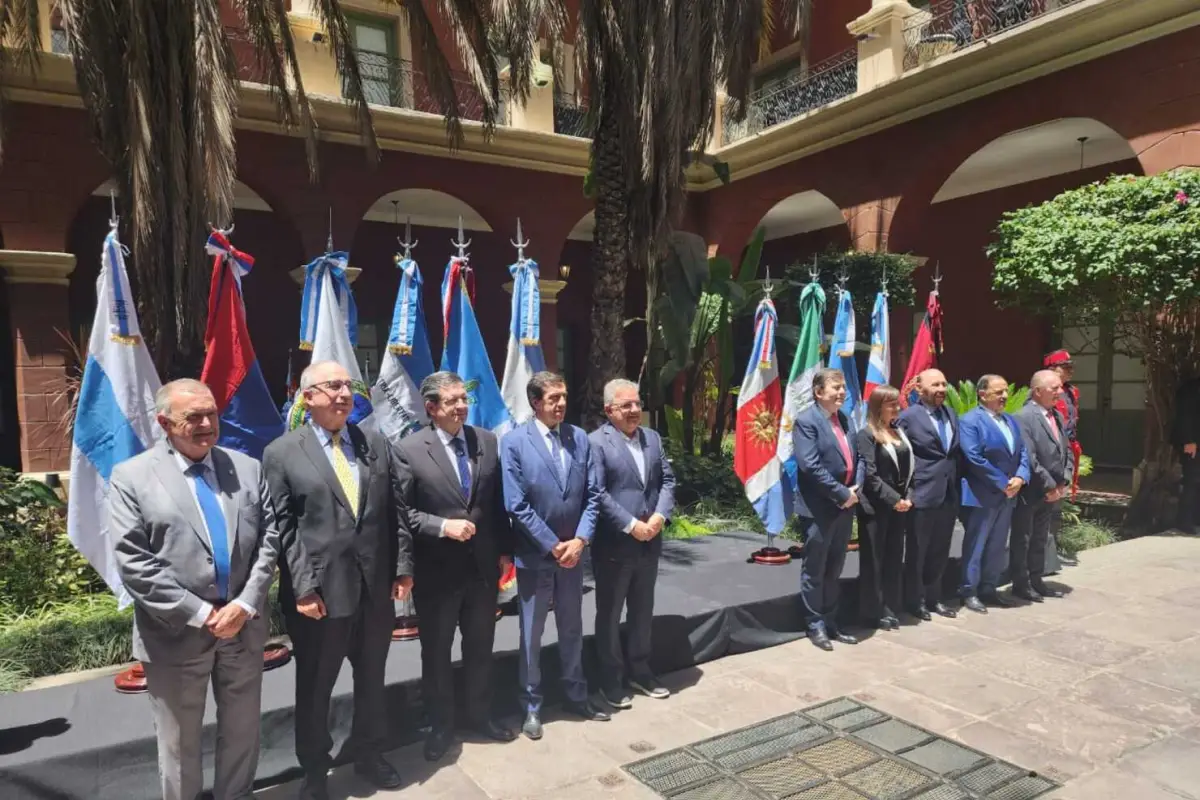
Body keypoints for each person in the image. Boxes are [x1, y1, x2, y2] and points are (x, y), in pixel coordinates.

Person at [110, 379, 281, 800]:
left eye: (212, 414)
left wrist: (243, 603)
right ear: (165, 422)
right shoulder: (131, 477)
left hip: (243, 627)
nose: (207, 424)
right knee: (179, 744)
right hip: (176, 635)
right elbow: (134, 562)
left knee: (242, 733)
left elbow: (270, 539)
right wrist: (203, 613)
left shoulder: (247, 468)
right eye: (194, 417)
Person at [262, 361, 413, 800]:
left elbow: (396, 513)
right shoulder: (282, 452)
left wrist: (403, 568)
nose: (343, 394)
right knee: (315, 687)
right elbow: (283, 528)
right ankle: (314, 770)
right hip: (320, 598)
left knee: (371, 679)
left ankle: (370, 753)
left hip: (376, 591)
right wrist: (304, 588)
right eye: (332, 386)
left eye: (347, 386)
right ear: (308, 397)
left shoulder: (376, 444)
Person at [393, 371, 516, 762]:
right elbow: (401, 513)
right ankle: (442, 726)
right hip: (437, 574)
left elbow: (496, 503)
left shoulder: (487, 441)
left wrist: (505, 551)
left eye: (464, 399)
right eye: (452, 401)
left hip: (481, 570)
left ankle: (480, 716)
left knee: (481, 649)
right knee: (437, 655)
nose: (461, 406)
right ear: (431, 408)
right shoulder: (409, 449)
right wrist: (442, 526)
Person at [501, 371, 608, 739]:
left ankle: (577, 694)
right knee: (531, 634)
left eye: (563, 396)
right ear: (535, 403)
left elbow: (593, 496)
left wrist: (580, 541)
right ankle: (531, 706)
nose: (560, 403)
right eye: (553, 398)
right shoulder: (515, 443)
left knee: (572, 627)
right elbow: (516, 503)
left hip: (574, 557)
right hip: (535, 557)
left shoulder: (579, 439)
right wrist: (552, 544)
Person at [589, 379, 676, 709]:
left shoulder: (652, 438)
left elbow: (667, 480)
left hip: (650, 540)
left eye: (638, 404)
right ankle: (610, 680)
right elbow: (596, 492)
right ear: (610, 410)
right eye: (626, 406)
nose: (634, 411)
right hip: (615, 545)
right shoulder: (596, 443)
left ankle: (641, 670)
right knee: (609, 614)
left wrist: (659, 517)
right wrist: (630, 525)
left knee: (643, 610)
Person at [793, 368, 861, 651]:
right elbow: (810, 465)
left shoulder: (844, 419)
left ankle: (832, 621)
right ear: (819, 392)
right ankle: (815, 625)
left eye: (843, 387)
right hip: (820, 508)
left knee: (835, 567)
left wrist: (855, 489)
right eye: (836, 388)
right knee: (815, 569)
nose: (842, 392)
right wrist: (841, 493)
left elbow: (857, 458)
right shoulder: (806, 421)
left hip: (846, 506)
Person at [958, 374, 1029, 613]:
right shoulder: (970, 421)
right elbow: (974, 457)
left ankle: (989, 588)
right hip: (983, 495)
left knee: (998, 545)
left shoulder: (1010, 420)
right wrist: (1002, 483)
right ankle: (969, 591)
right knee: (976, 545)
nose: (1005, 396)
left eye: (1006, 391)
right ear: (982, 394)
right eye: (998, 392)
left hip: (1008, 495)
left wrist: (1021, 477)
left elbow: (1023, 453)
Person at [897, 369, 961, 620]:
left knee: (940, 549)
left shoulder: (951, 414)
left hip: (948, 493)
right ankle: (916, 601)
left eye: (944, 384)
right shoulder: (908, 418)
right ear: (919, 389)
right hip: (922, 494)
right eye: (935, 385)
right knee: (918, 551)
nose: (941, 389)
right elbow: (901, 457)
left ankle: (934, 598)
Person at [855, 385, 914, 631]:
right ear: (879, 406)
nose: (897, 407)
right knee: (874, 561)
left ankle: (890, 606)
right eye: (892, 404)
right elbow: (870, 474)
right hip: (876, 507)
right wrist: (893, 499)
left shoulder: (899, 430)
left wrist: (908, 496)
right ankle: (872, 611)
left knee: (893, 558)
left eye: (897, 403)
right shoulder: (866, 434)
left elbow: (911, 467)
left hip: (900, 505)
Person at [1010, 370, 1072, 602]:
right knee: (1023, 539)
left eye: (1060, 387)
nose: (1059, 392)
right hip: (1033, 491)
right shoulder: (1023, 417)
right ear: (1037, 391)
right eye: (1054, 388)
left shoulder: (1056, 416)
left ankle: (1037, 580)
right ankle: (1021, 583)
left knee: (1040, 539)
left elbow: (1066, 451)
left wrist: (1063, 480)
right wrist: (1048, 486)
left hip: (1053, 490)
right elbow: (1029, 457)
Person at [1175, 375, 1200, 535]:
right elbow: (1185, 416)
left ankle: (1196, 518)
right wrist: (1189, 440)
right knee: (1191, 480)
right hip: (1192, 443)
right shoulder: (1191, 388)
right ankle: (1184, 521)